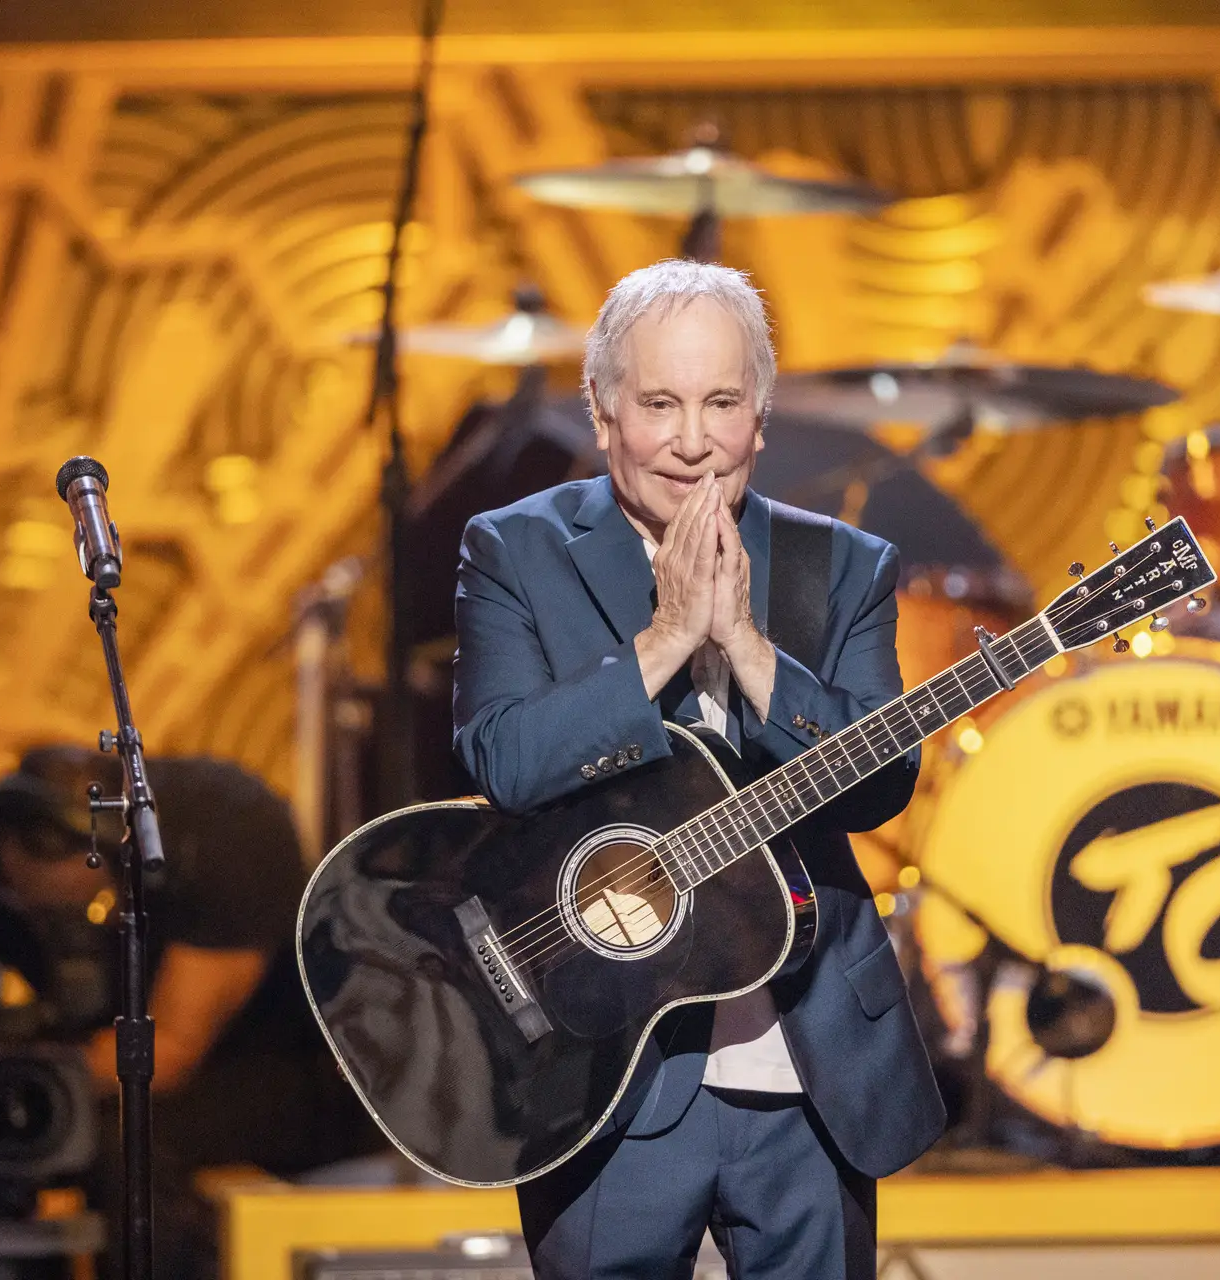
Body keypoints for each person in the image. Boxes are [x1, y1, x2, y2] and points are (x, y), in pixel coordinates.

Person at [452, 259, 946, 1280]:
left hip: (810, 1068)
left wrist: (752, 652)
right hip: (607, 1063)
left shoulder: (844, 564)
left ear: (759, 417)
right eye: (659, 403)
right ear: (602, 410)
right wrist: (669, 638)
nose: (691, 440)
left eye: (721, 402)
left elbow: (883, 779)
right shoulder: (515, 549)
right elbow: (505, 758)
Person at [0, 746, 373, 1280]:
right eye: (21, 900)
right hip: (73, 1074)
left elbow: (170, 1053)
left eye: (84, 909)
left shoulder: (226, 831)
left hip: (267, 1070)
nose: (58, 928)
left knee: (126, 1147)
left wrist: (37, 1082)